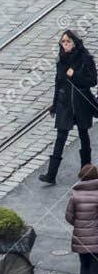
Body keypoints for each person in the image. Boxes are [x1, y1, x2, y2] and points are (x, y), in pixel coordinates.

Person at [40, 30, 98, 185]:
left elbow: (92, 81)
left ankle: (86, 172)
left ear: (74, 43)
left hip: (81, 103)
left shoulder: (85, 59)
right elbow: (58, 83)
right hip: (64, 104)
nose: (64, 44)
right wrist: (54, 104)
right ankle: (51, 175)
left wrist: (75, 76)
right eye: (63, 41)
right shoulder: (61, 61)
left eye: (67, 41)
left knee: (83, 134)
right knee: (60, 137)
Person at [66, 163, 98, 274]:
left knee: (84, 269)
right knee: (95, 272)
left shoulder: (75, 195)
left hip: (80, 239)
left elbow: (69, 217)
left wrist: (79, 226)